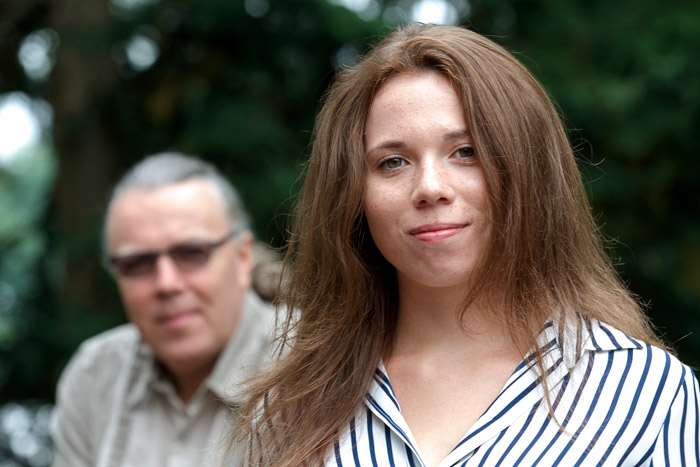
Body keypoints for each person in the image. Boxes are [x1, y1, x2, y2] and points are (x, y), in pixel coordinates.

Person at [231, 23, 700, 466]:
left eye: (467, 152)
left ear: (527, 170)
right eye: (392, 162)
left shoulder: (644, 391)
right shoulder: (288, 409)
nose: (430, 187)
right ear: (351, 195)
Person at [51, 153, 275, 467]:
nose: (166, 283)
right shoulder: (94, 378)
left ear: (242, 258)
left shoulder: (315, 367)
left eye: (191, 253)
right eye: (137, 263)